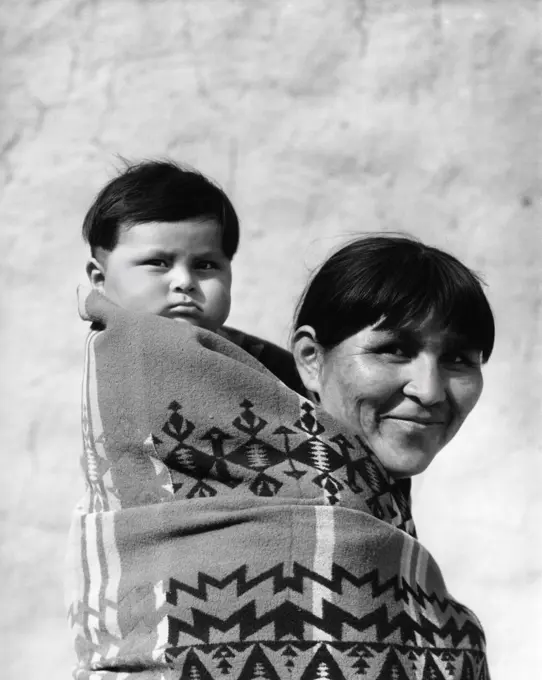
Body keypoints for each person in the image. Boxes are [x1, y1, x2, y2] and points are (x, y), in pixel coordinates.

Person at [68, 234, 492, 680]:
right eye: (395, 350)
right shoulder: (210, 521)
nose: (428, 390)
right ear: (310, 358)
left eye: (459, 359)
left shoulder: (406, 557)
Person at [81, 158, 303, 390]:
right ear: (99, 278)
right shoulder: (118, 367)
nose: (185, 282)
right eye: (158, 263)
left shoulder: (273, 369)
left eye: (205, 265)